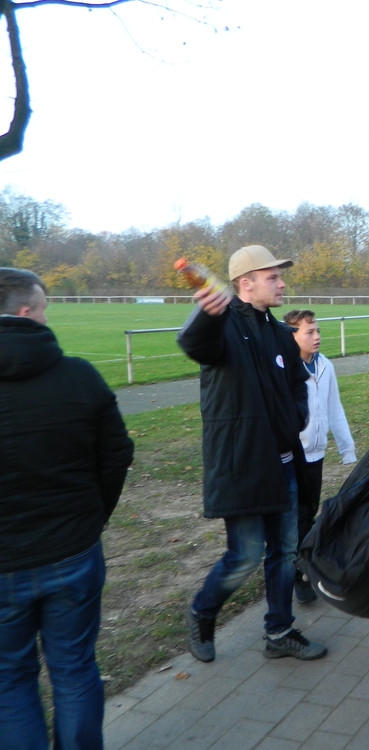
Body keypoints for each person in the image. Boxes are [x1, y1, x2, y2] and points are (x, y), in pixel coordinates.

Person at [0, 268, 135, 750]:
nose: (47, 316)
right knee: (73, 668)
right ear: (24, 313)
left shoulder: (78, 375)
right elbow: (116, 455)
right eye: (43, 308)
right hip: (72, 553)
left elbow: (117, 452)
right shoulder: (78, 376)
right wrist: (89, 519)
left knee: (10, 681)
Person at [178, 245, 327, 663]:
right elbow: (193, 344)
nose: (282, 284)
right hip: (244, 466)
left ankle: (279, 631)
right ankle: (202, 611)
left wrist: (295, 417)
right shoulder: (222, 326)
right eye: (273, 277)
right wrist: (206, 313)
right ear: (246, 283)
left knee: (283, 552)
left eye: (281, 276)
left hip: (285, 465)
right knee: (243, 556)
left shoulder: (281, 333)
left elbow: (298, 382)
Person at [282, 309, 357, 605]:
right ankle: (298, 574)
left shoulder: (325, 365)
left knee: (308, 513)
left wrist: (347, 449)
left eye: (318, 331)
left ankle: (300, 565)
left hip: (317, 455)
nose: (317, 337)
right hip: (292, 454)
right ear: (292, 337)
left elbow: (334, 408)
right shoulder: (285, 369)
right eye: (309, 332)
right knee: (296, 517)